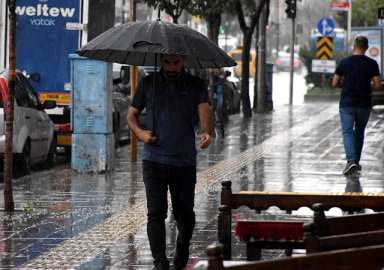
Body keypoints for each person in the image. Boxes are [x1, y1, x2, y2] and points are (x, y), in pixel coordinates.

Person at [127, 54, 213, 270]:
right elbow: (131, 115)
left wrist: (206, 132)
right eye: (167, 63)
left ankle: (182, 248)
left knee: (185, 214)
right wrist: (140, 133)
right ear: (161, 60)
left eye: (176, 63)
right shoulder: (148, 84)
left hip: (184, 161)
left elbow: (204, 112)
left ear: (183, 61)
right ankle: (160, 263)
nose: (172, 67)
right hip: (154, 160)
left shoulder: (196, 84)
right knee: (156, 212)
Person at [332, 36, 381, 175]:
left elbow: (334, 83)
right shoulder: (372, 64)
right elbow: (377, 85)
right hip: (364, 104)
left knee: (347, 131)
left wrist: (345, 85)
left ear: (354, 46)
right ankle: (355, 163)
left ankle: (351, 160)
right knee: (359, 132)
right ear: (366, 48)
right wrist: (366, 86)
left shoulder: (344, 62)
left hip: (347, 103)